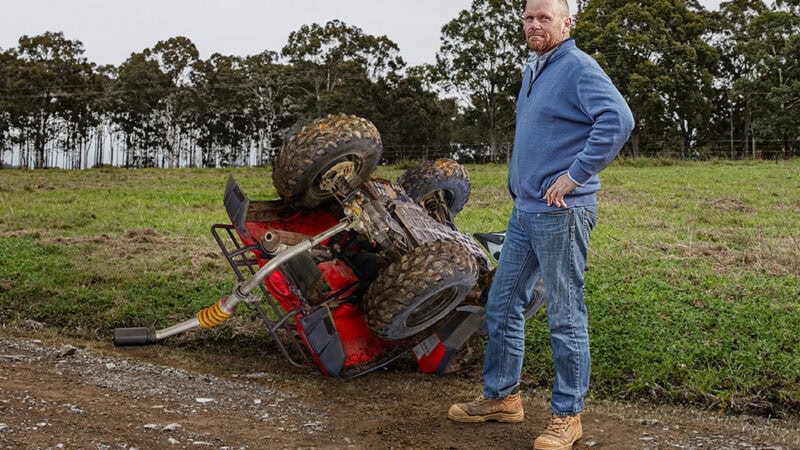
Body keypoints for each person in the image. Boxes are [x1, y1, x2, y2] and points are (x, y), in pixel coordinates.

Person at [447, 0, 634, 449]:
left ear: (566, 23)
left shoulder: (578, 67)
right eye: (529, 17)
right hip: (526, 212)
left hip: (562, 214)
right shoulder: (535, 68)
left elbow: (618, 120)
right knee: (503, 302)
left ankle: (568, 416)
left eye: (544, 17)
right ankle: (502, 397)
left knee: (565, 317)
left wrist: (575, 175)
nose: (534, 24)